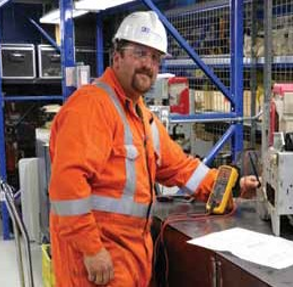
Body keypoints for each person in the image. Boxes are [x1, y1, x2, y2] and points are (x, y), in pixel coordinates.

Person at [49, 11, 260, 287]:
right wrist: (91, 249)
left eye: (155, 58)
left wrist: (231, 187)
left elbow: (181, 167)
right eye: (140, 53)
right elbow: (66, 186)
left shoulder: (141, 117)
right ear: (117, 56)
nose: (148, 65)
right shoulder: (91, 106)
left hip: (131, 255)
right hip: (96, 262)